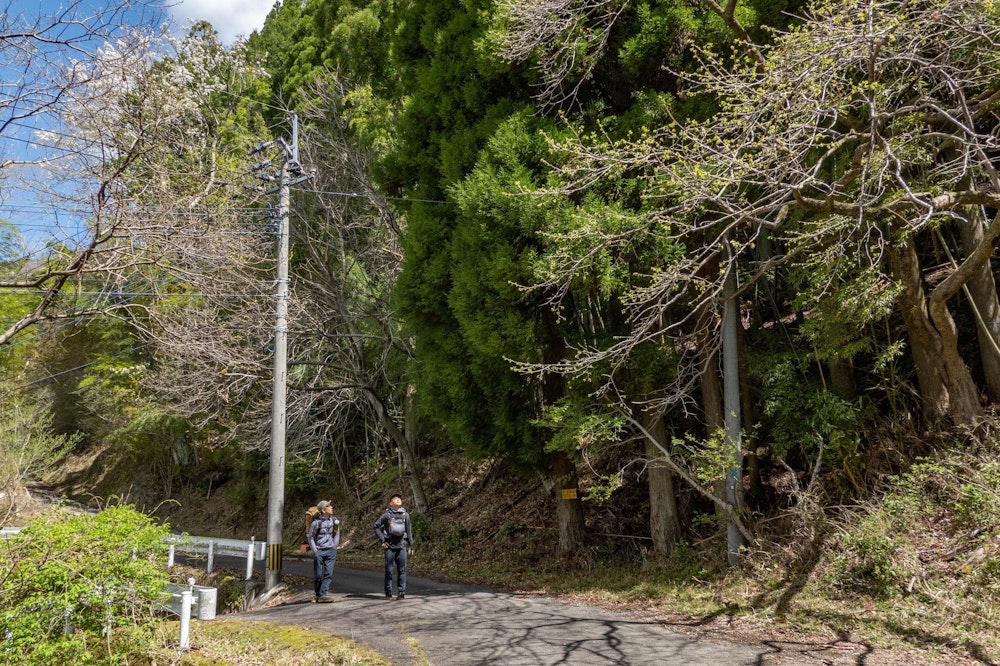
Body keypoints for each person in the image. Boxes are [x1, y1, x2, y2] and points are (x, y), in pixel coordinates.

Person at [373, 493, 414, 600]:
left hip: (402, 546)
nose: (398, 500)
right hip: (389, 547)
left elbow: (409, 531)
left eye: (399, 499)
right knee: (389, 571)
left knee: (402, 570)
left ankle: (401, 593)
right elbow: (376, 526)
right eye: (395, 499)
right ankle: (388, 593)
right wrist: (382, 540)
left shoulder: (406, 515)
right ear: (391, 503)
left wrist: (411, 545)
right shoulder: (386, 515)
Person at [308, 500, 341, 603]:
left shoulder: (335, 521)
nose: (331, 507)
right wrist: (315, 551)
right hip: (319, 551)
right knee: (318, 575)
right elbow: (310, 538)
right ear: (323, 510)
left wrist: (334, 547)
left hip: (331, 551)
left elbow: (337, 534)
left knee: (328, 574)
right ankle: (318, 595)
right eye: (328, 506)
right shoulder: (316, 523)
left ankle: (323, 594)